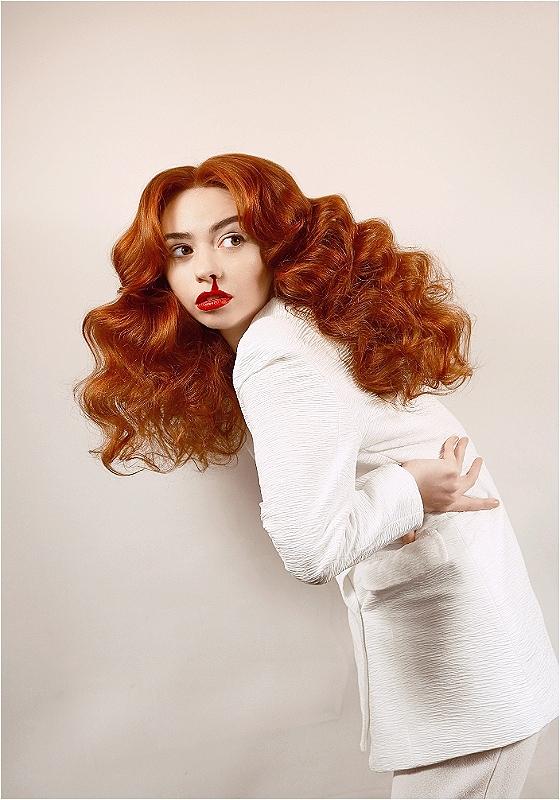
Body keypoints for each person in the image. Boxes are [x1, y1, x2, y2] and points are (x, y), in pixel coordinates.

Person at [74, 153, 558, 799]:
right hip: (471, 648)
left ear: (276, 244)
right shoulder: (299, 327)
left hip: (466, 669)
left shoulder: (276, 355)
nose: (206, 269)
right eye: (181, 251)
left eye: (232, 238)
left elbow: (309, 549)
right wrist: (407, 491)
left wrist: (410, 489)